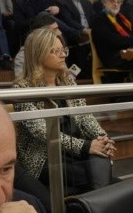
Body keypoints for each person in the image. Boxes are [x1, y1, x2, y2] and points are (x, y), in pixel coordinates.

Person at [13, 28, 115, 193]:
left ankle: (101, 200)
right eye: (56, 51)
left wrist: (103, 138)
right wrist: (86, 146)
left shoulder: (67, 82)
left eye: (63, 50)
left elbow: (85, 116)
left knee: (101, 159)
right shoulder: (23, 89)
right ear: (39, 54)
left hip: (73, 154)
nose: (63, 55)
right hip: (45, 159)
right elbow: (43, 132)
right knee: (104, 179)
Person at [89, 0, 133, 72]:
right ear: (104, 3)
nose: (115, 4)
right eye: (112, 1)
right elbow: (112, 40)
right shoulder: (99, 18)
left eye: (118, 2)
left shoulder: (121, 18)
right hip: (112, 56)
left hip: (127, 52)